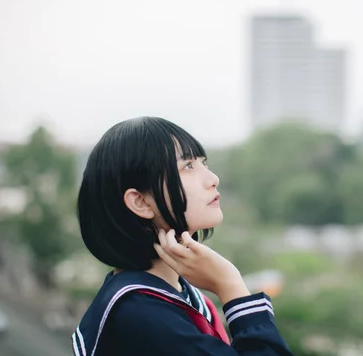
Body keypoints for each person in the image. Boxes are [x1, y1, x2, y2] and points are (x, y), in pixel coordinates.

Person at [73, 116, 293, 355]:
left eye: (204, 163)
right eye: (187, 166)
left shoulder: (171, 296)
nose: (213, 179)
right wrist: (230, 284)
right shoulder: (141, 315)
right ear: (141, 202)